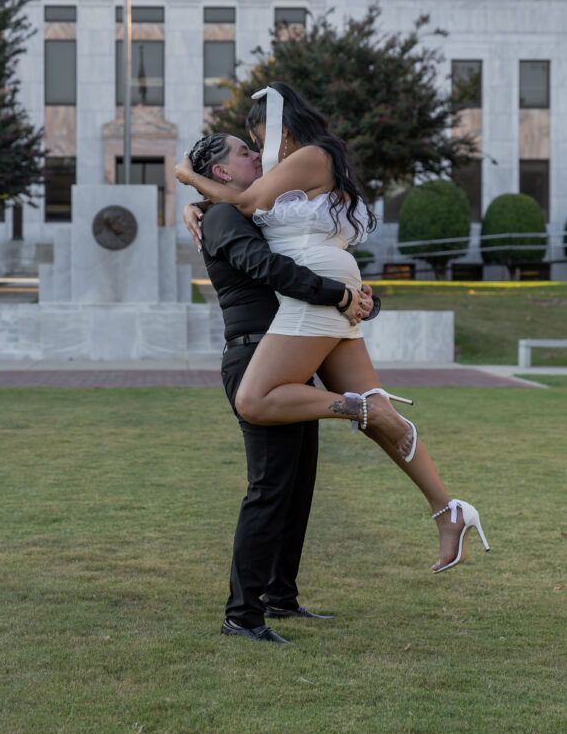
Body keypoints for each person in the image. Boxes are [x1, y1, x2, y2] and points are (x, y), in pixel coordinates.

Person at [176, 83, 489, 575]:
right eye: (248, 148)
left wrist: (185, 180)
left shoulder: (310, 155)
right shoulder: (303, 168)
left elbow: (242, 203)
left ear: (278, 127)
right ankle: (448, 511)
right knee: (381, 414)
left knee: (255, 400)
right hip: (328, 279)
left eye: (257, 139)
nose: (258, 151)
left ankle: (357, 409)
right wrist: (198, 205)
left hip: (316, 289)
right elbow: (242, 206)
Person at [184, 132, 377, 643]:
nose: (259, 156)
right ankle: (242, 616)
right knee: (269, 487)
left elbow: (302, 259)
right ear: (222, 173)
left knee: (297, 486)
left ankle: (280, 598)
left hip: (287, 355)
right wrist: (336, 294)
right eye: (245, 153)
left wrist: (355, 297)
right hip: (253, 359)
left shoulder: (246, 215)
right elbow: (267, 269)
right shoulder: (223, 218)